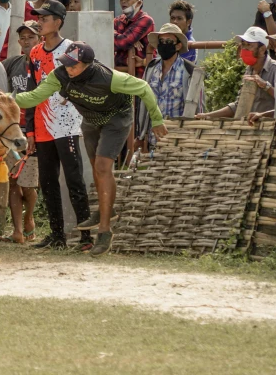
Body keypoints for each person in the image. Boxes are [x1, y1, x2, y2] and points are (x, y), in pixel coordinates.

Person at [16, 41, 167, 256]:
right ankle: (107, 209)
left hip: (117, 118)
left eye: (74, 65)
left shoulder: (108, 78)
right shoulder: (60, 76)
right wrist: (10, 98)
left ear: (88, 64)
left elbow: (143, 88)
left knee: (104, 166)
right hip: (90, 120)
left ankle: (104, 231)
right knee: (97, 167)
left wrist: (157, 120)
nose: (68, 69)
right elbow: (34, 97)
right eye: (66, 63)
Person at [26, 0, 90, 250]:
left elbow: (84, 81)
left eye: (44, 18)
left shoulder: (72, 49)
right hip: (42, 125)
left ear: (58, 22)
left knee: (74, 179)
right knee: (48, 181)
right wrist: (29, 129)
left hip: (67, 124)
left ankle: (86, 237)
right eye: (39, 18)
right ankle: (56, 235)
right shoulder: (33, 52)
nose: (39, 22)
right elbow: (31, 90)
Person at [2, 20, 41, 242]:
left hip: (35, 130)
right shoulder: (12, 63)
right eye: (23, 38)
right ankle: (17, 230)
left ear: (39, 40)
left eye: (31, 37)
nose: (26, 41)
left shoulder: (43, 65)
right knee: (12, 181)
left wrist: (34, 133)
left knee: (28, 183)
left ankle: (30, 219)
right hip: (13, 131)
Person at [136, 23, 204, 149]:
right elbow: (143, 103)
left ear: (178, 45)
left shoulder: (190, 71)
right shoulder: (151, 68)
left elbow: (199, 108)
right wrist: (140, 135)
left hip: (179, 142)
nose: (164, 44)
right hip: (154, 140)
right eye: (161, 41)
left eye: (168, 41)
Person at [197, 27, 276, 120]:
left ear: (262, 49)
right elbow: (238, 105)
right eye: (243, 45)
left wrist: (266, 86)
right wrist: (207, 116)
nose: (244, 49)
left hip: (271, 129)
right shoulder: (249, 70)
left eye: (249, 45)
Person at [114, 0, 154, 77]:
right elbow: (106, 39)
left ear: (139, 3)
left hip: (140, 77)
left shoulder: (146, 20)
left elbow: (123, 42)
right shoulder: (118, 20)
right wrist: (130, 39)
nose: (123, 1)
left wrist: (126, 40)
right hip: (118, 74)